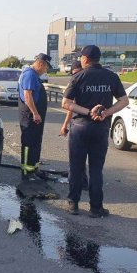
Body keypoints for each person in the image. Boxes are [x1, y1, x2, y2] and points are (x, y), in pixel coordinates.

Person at [61, 45, 128, 217]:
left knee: (76, 167)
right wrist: (106, 113)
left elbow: (66, 103)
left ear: (84, 59)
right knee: (96, 170)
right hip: (101, 128)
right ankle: (96, 208)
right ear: (99, 59)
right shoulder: (111, 76)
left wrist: (87, 112)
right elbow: (124, 101)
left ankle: (73, 204)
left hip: (80, 128)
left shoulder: (78, 77)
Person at [17, 53, 51, 181]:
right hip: (30, 116)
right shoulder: (30, 75)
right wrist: (35, 113)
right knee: (28, 143)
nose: (46, 70)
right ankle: (27, 172)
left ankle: (34, 169)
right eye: (46, 67)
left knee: (36, 143)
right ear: (41, 64)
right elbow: (27, 96)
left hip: (35, 116)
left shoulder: (33, 75)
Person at [60, 60, 88, 190]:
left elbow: (69, 106)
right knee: (81, 157)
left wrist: (65, 124)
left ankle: (79, 184)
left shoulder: (79, 84)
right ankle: (83, 181)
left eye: (77, 72)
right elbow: (71, 107)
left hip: (81, 125)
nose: (75, 75)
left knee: (77, 157)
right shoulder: (78, 82)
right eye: (73, 73)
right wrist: (65, 124)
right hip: (82, 124)